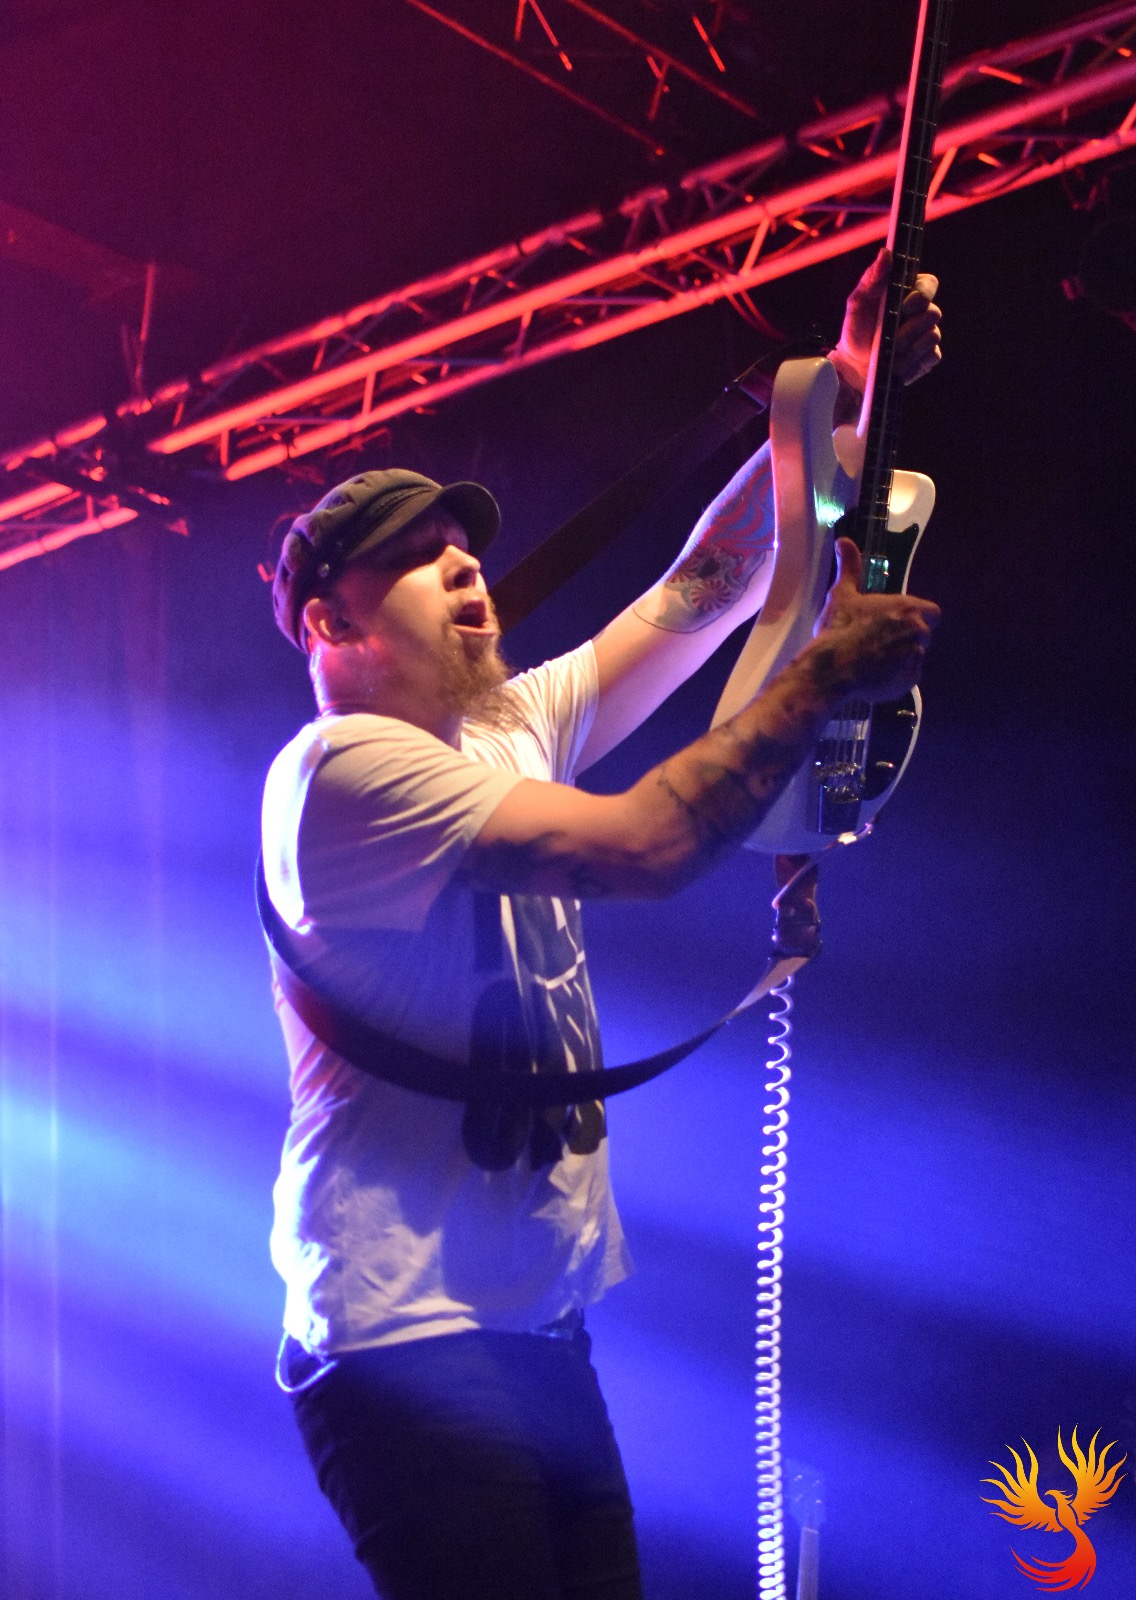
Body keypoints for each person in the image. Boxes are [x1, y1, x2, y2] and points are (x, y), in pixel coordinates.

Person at [261, 250, 942, 1600]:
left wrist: (843, 390)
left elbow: (709, 585)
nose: (464, 563)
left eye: (463, 545)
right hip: (409, 1348)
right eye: (416, 559)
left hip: (535, 1333)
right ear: (331, 621)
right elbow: (647, 847)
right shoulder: (338, 773)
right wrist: (818, 681)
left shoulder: (507, 726)